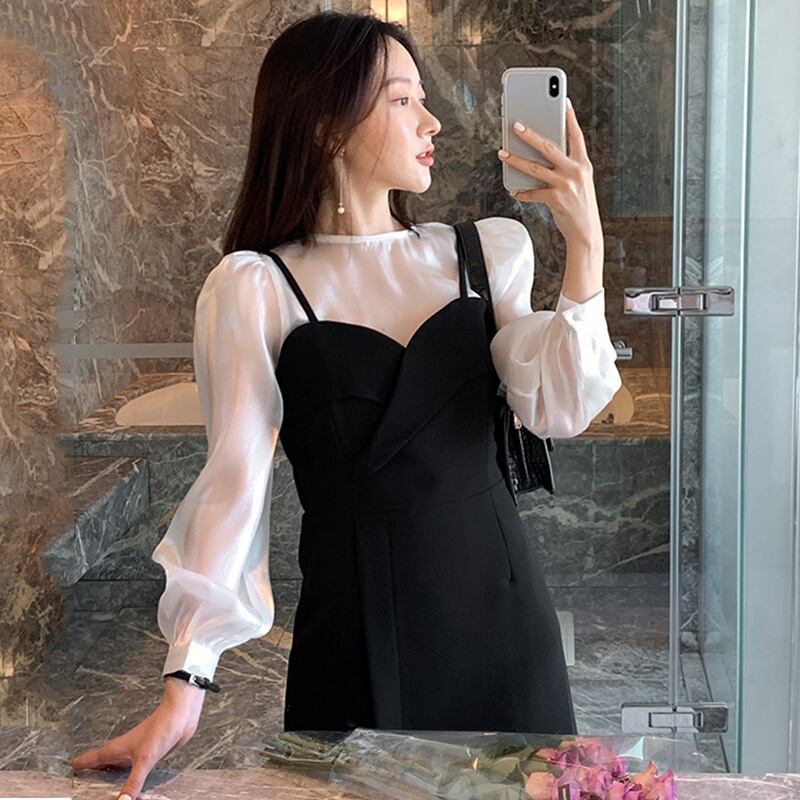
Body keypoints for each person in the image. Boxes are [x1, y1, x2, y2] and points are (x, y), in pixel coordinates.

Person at [72, 10, 621, 800]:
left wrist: (586, 246)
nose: (431, 121)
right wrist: (185, 686)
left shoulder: (486, 252)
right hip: (355, 635)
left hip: (504, 625)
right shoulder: (256, 287)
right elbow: (232, 488)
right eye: (402, 100)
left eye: (423, 98)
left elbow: (560, 407)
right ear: (327, 125)